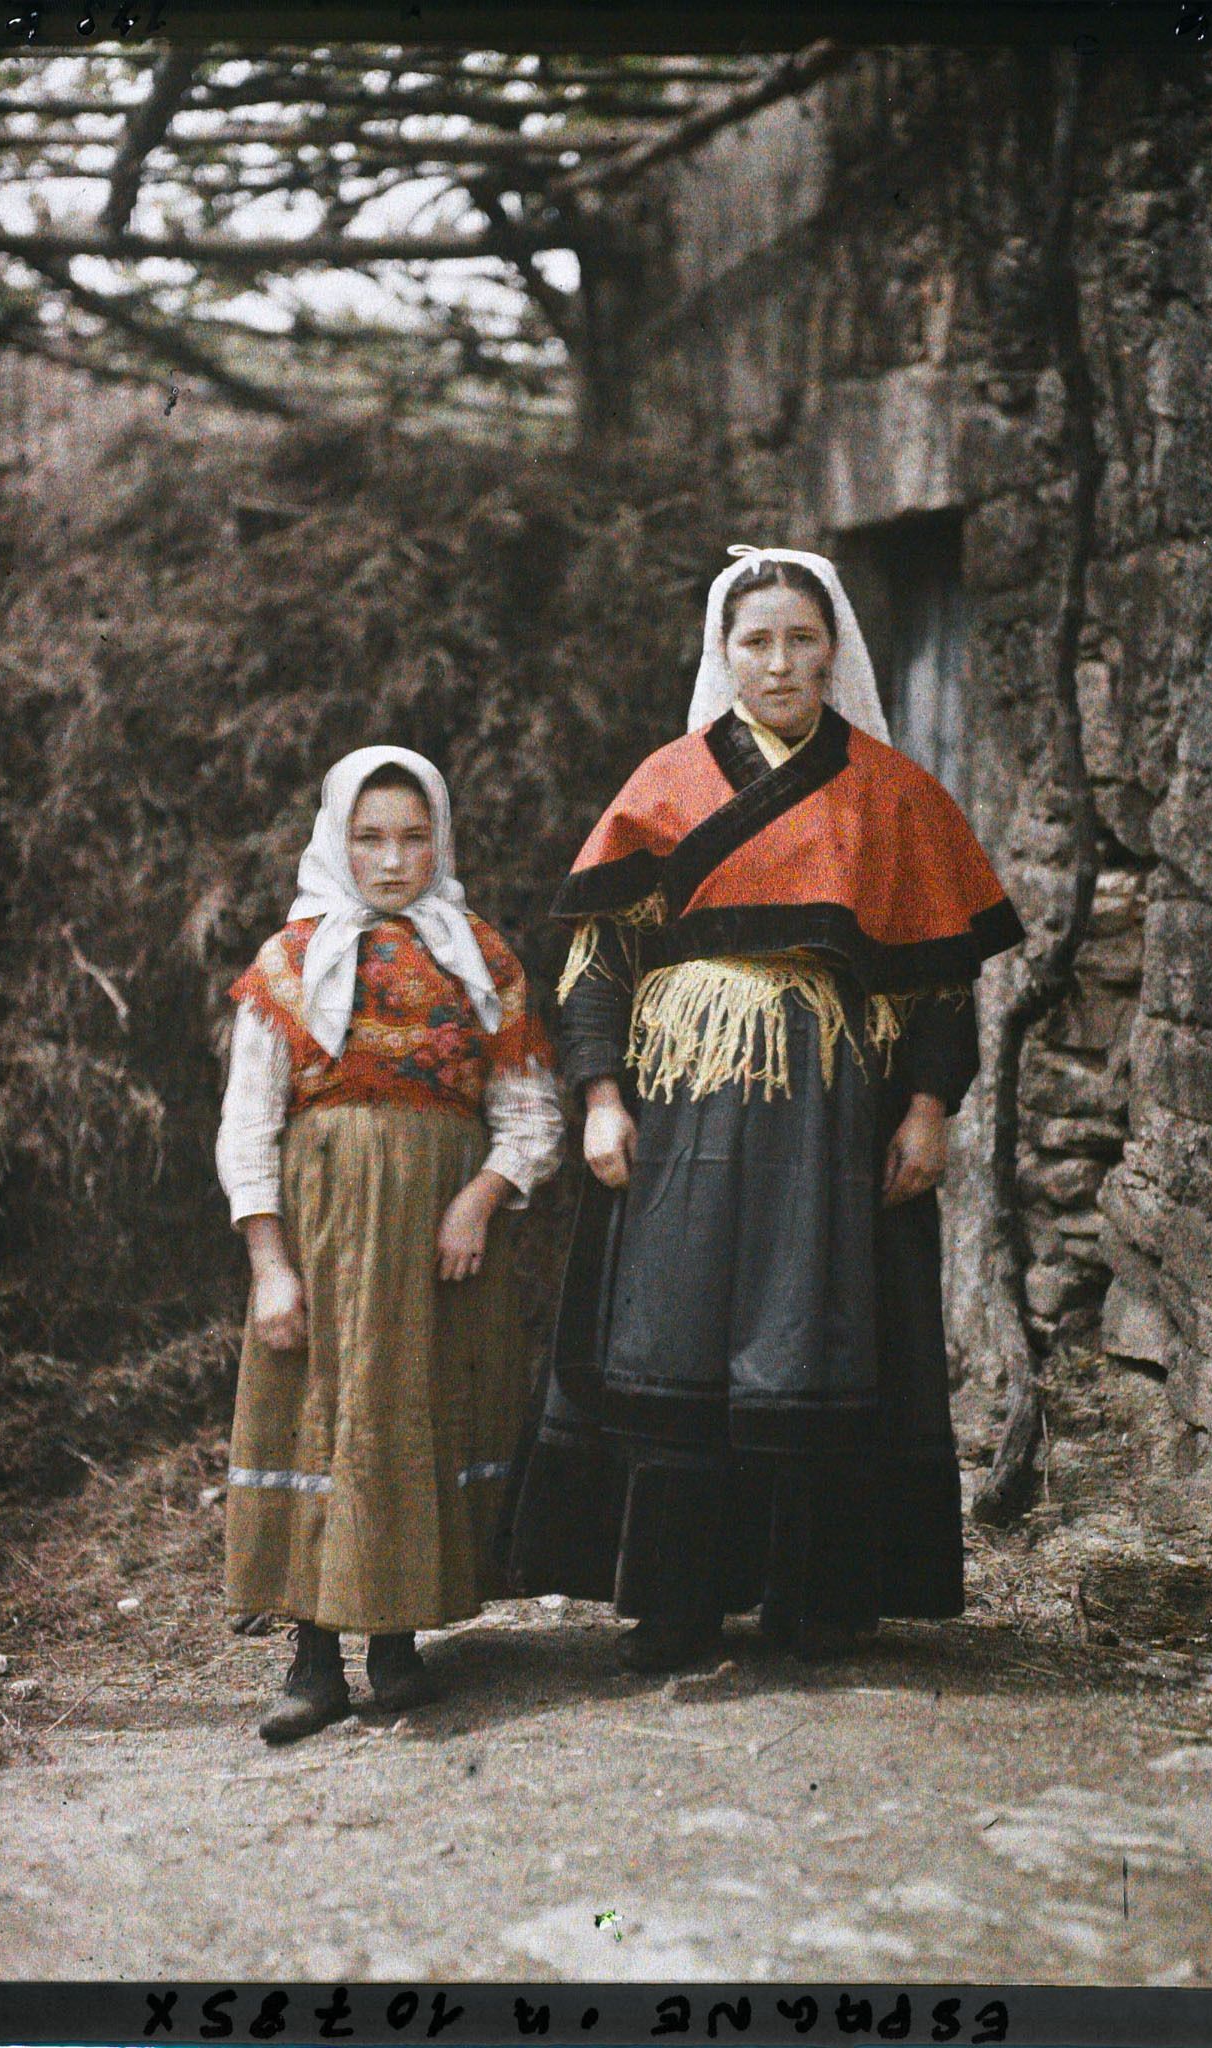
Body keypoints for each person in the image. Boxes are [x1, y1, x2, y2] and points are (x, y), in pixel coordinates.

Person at [506, 546, 1023, 1672]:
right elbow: (596, 967)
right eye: (756, 640)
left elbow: (942, 986)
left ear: (833, 647)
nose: (779, 662)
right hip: (684, 1110)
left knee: (820, 1330)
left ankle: (817, 1598)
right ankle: (675, 1604)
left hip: (831, 1116)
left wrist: (927, 1109)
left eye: (800, 638)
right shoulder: (663, 784)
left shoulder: (893, 795)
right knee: (673, 1330)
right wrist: (600, 1097)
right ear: (721, 652)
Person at [216, 745, 563, 1742]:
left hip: (436, 1230)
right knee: (320, 1408)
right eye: (368, 836)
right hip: (320, 1222)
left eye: (414, 835)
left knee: (411, 1408)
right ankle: (314, 1661)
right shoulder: (289, 960)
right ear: (336, 837)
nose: (392, 857)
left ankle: (398, 1645)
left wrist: (482, 1197)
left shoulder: (481, 959)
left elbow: (527, 1106)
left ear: (440, 839)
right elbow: (249, 1120)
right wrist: (270, 1260)